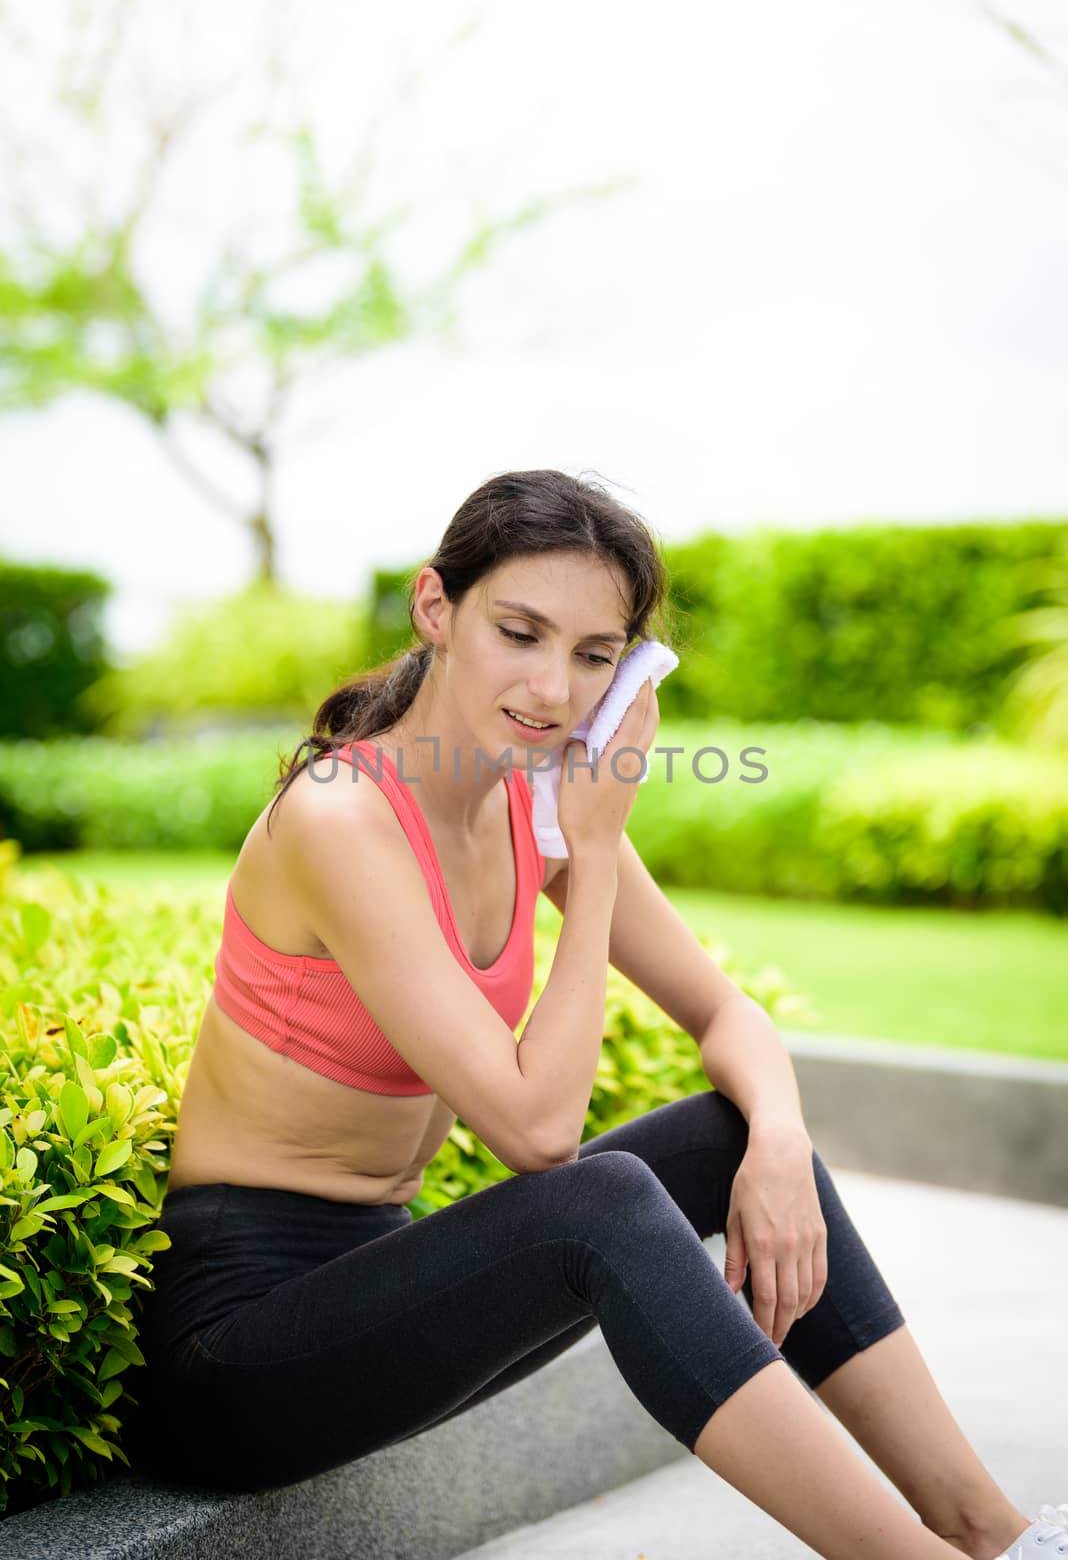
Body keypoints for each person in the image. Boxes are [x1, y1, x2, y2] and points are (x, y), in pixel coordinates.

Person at [124, 469, 1035, 1560]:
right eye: (520, 632)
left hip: (381, 1291)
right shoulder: (341, 817)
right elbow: (536, 1133)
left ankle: (990, 1529)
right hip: (241, 1345)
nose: (555, 688)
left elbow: (725, 1010)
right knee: (595, 1199)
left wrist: (782, 1145)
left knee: (731, 1130)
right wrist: (591, 852)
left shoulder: (532, 796)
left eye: (596, 654)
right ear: (435, 609)